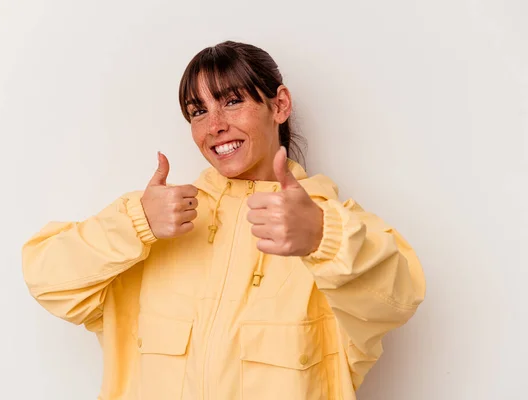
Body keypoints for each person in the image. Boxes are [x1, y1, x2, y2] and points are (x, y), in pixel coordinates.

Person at [22, 41, 426, 400]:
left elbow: (398, 299)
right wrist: (134, 223)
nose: (214, 126)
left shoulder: (333, 227)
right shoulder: (155, 220)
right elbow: (47, 279)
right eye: (198, 111)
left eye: (232, 101)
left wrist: (324, 237)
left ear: (279, 105)